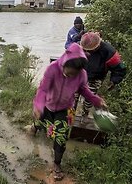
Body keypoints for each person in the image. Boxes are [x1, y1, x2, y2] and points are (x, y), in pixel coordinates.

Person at [30, 43, 107, 180]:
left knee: (60, 136)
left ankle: (57, 164)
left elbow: (84, 89)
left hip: (65, 109)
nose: (69, 75)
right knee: (41, 120)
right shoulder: (52, 69)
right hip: (47, 104)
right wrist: (38, 105)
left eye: (73, 74)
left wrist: (97, 101)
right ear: (64, 63)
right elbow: (43, 89)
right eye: (68, 72)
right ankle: (35, 127)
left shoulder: (82, 74)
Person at [78, 32, 127, 118]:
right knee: (72, 96)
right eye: (86, 50)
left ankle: (84, 114)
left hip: (96, 77)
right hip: (79, 75)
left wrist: (114, 81)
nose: (88, 52)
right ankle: (69, 115)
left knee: (89, 98)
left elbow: (119, 68)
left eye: (90, 50)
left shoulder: (109, 51)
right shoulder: (81, 46)